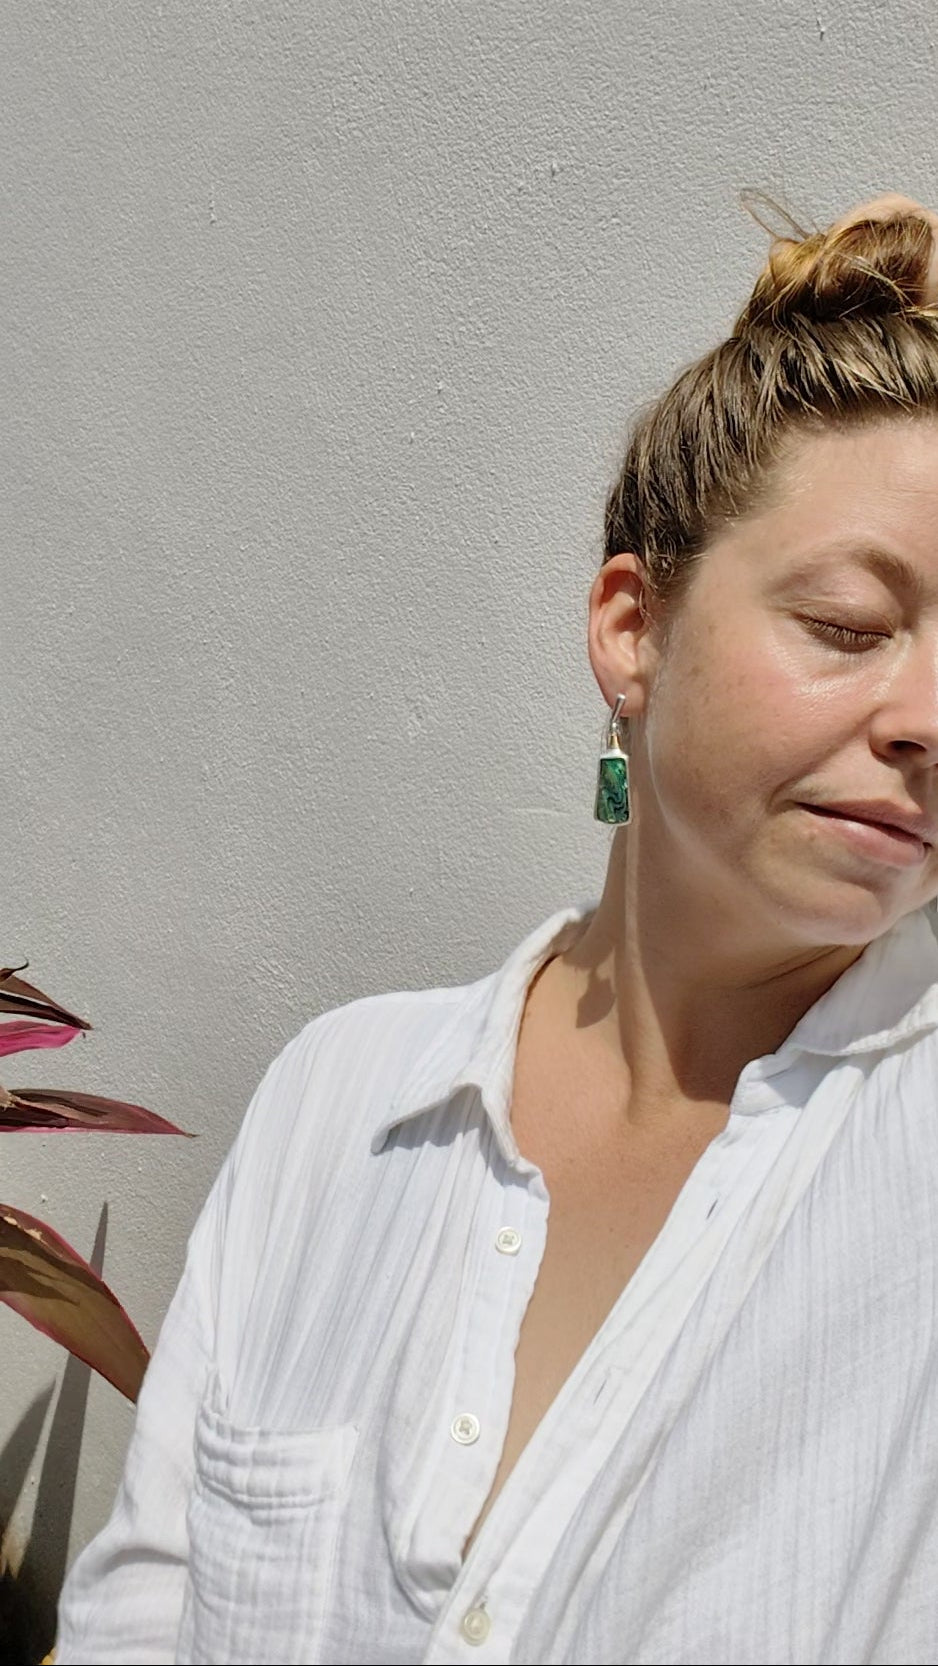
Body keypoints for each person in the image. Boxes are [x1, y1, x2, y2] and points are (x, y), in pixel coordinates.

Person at [54, 189, 938, 1666]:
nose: (924, 717)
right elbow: (142, 1618)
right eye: (848, 625)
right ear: (632, 631)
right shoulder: (343, 1102)